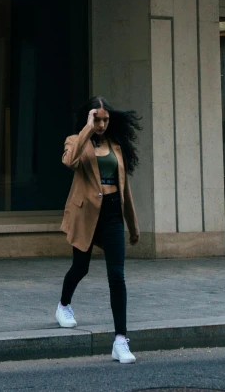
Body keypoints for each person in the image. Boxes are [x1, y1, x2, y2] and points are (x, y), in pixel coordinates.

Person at [56, 96, 140, 364]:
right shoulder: (75, 140)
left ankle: (120, 341)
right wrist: (87, 129)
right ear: (89, 117)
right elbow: (69, 162)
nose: (102, 124)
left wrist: (133, 224)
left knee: (117, 276)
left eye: (105, 119)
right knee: (81, 267)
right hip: (86, 214)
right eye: (97, 119)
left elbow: (124, 186)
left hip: (113, 214)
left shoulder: (116, 145)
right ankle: (64, 305)